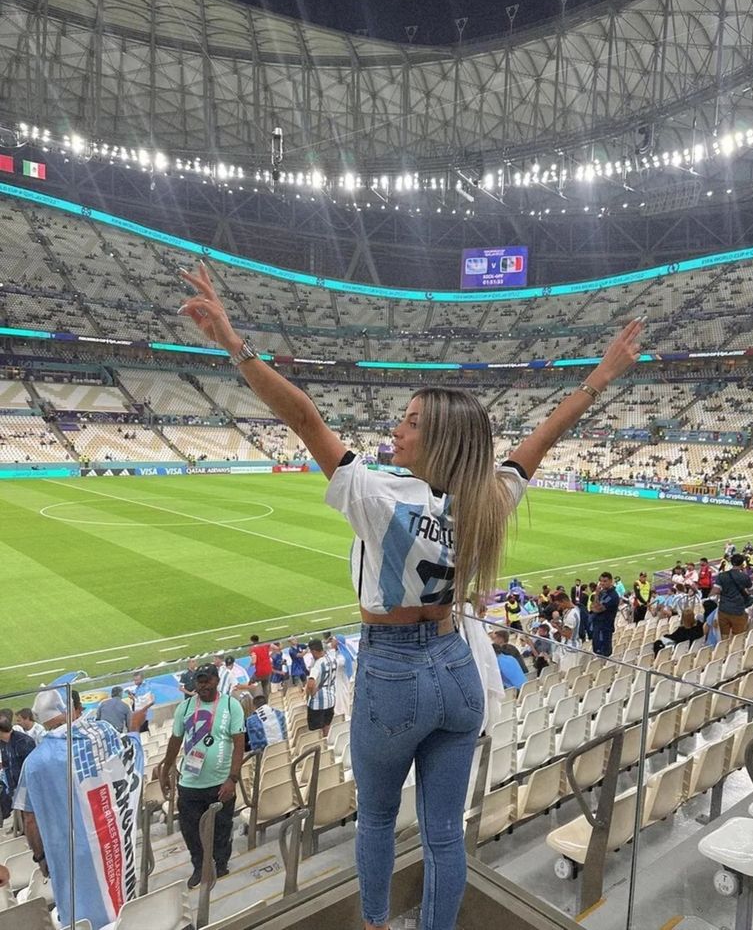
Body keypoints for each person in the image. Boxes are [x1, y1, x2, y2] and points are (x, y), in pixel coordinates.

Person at [178, 260, 643, 930]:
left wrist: (234, 343)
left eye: (411, 422)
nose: (397, 429)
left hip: (393, 670)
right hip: (456, 670)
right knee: (445, 833)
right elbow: (543, 438)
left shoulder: (375, 493)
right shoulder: (486, 500)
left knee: (376, 819)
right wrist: (599, 378)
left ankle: (374, 922)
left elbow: (303, 416)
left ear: (440, 439)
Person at [14, 691, 146, 930]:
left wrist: (41, 857)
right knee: (119, 906)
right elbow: (130, 757)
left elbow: (29, 819)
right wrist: (135, 728)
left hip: (69, 858)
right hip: (111, 845)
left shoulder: (34, 763)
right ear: (73, 709)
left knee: (79, 914)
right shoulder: (103, 733)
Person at [159, 663, 245, 889]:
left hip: (221, 783)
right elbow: (175, 740)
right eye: (200, 681)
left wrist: (232, 778)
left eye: (208, 680)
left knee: (222, 828)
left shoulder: (231, 705)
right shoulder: (185, 707)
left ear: (217, 680)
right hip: (190, 782)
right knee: (191, 830)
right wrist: (166, 768)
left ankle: (221, 864)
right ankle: (199, 866)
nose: (204, 685)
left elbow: (239, 744)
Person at [713, 553, 753, 637]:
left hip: (724, 609)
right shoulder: (744, 577)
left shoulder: (722, 576)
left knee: (724, 636)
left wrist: (725, 592)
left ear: (731, 562)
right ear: (742, 564)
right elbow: (751, 591)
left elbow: (716, 591)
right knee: (737, 636)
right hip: (738, 609)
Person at [305, 638, 338, 736]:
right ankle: (325, 742)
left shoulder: (317, 664)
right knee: (327, 725)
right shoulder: (332, 659)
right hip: (331, 699)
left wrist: (310, 694)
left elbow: (310, 684)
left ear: (314, 651)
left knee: (315, 731)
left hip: (318, 703)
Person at [0, 716, 36, 804]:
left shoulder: (24, 741)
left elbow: (32, 767)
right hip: (10, 789)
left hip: (27, 789)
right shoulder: (2, 742)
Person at [324, 633, 354, 718]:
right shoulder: (339, 653)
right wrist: (327, 643)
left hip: (341, 683)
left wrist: (331, 648)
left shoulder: (342, 657)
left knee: (341, 701)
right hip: (337, 682)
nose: (331, 642)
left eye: (333, 641)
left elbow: (332, 663)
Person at [590, 571, 620, 656]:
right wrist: (596, 599)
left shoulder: (613, 596)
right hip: (597, 626)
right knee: (596, 651)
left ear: (611, 581)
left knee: (603, 653)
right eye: (601, 581)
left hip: (605, 628)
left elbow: (597, 609)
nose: (602, 583)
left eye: (605, 581)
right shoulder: (602, 592)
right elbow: (592, 607)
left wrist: (596, 595)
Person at [249, 634, 272, 700]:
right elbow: (272, 646)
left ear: (252, 641)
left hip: (260, 672)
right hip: (268, 669)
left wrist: (250, 665)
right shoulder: (265, 645)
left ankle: (251, 700)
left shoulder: (253, 649)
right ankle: (267, 701)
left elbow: (254, 661)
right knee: (265, 687)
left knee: (250, 683)